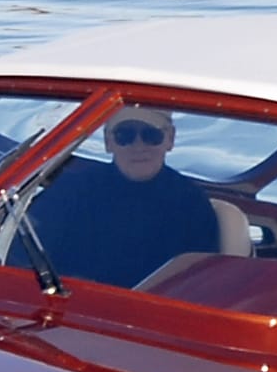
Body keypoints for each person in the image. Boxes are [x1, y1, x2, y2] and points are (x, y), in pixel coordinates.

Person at [24, 107, 225, 289]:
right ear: (108, 141)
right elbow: (23, 256)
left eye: (151, 135)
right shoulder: (70, 190)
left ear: (170, 139)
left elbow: (199, 282)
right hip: (70, 308)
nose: (138, 146)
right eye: (125, 135)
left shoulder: (192, 203)